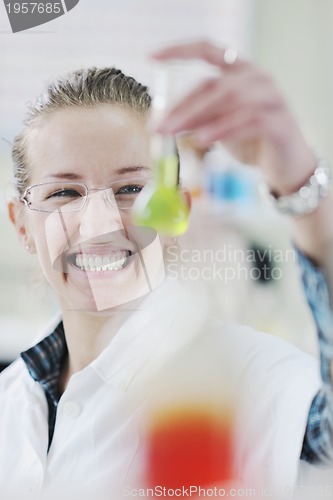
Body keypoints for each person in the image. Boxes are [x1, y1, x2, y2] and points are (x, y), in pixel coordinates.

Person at [0, 40, 332, 499]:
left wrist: (304, 192)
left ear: (177, 210)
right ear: (22, 225)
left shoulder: (255, 380)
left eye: (131, 187)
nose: (99, 226)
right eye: (64, 194)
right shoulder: (9, 403)